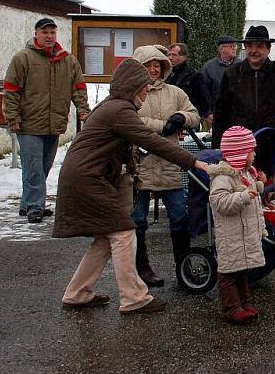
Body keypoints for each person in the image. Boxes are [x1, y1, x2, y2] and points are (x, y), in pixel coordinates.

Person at [52, 58, 208, 314]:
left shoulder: (114, 107)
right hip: (88, 179)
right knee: (124, 232)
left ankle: (78, 293)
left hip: (86, 177)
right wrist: (192, 162)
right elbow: (151, 140)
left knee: (106, 236)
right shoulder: (119, 110)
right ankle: (134, 297)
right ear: (132, 87)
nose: (147, 94)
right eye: (144, 88)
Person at [3, 18, 90, 223]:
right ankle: (35, 207)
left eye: (53, 32)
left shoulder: (68, 60)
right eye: (45, 32)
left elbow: (78, 89)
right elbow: (11, 91)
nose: (49, 36)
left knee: (43, 167)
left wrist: (84, 112)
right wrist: (13, 117)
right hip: (28, 124)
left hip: (55, 123)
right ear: (36, 34)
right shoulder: (22, 58)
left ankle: (28, 204)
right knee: (33, 167)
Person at [131, 45, 200, 287]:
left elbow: (194, 114)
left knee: (179, 217)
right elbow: (130, 120)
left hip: (170, 163)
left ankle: (184, 267)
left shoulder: (175, 92)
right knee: (138, 219)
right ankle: (142, 267)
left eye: (157, 65)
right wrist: (162, 126)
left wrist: (182, 117)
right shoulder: (132, 93)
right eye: (148, 65)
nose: (153, 69)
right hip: (140, 163)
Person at [211, 25, 275, 180]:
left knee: (268, 193)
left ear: (268, 49)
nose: (254, 50)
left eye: (259, 46)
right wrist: (218, 147)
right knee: (241, 193)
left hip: (271, 146)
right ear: (244, 48)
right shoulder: (232, 74)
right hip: (239, 149)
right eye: (250, 46)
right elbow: (221, 113)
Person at [208, 125, 266, 324]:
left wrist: (258, 185)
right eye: (251, 150)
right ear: (239, 153)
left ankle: (244, 303)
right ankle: (231, 308)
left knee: (242, 271)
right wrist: (245, 195)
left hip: (243, 235)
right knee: (228, 274)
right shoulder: (223, 177)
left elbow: (252, 200)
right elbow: (219, 202)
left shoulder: (246, 173)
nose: (255, 154)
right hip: (231, 237)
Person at [201, 35, 240, 128]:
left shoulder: (242, 66)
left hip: (239, 117)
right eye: (231, 46)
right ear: (221, 48)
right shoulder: (209, 67)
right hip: (215, 117)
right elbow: (202, 93)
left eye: (235, 46)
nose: (235, 48)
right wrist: (207, 113)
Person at [167, 43, 212, 120]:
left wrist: (207, 114)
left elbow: (204, 98)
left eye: (174, 55)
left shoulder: (194, 75)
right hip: (168, 115)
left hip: (188, 116)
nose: (170, 58)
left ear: (183, 57)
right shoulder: (164, 74)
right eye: (169, 55)